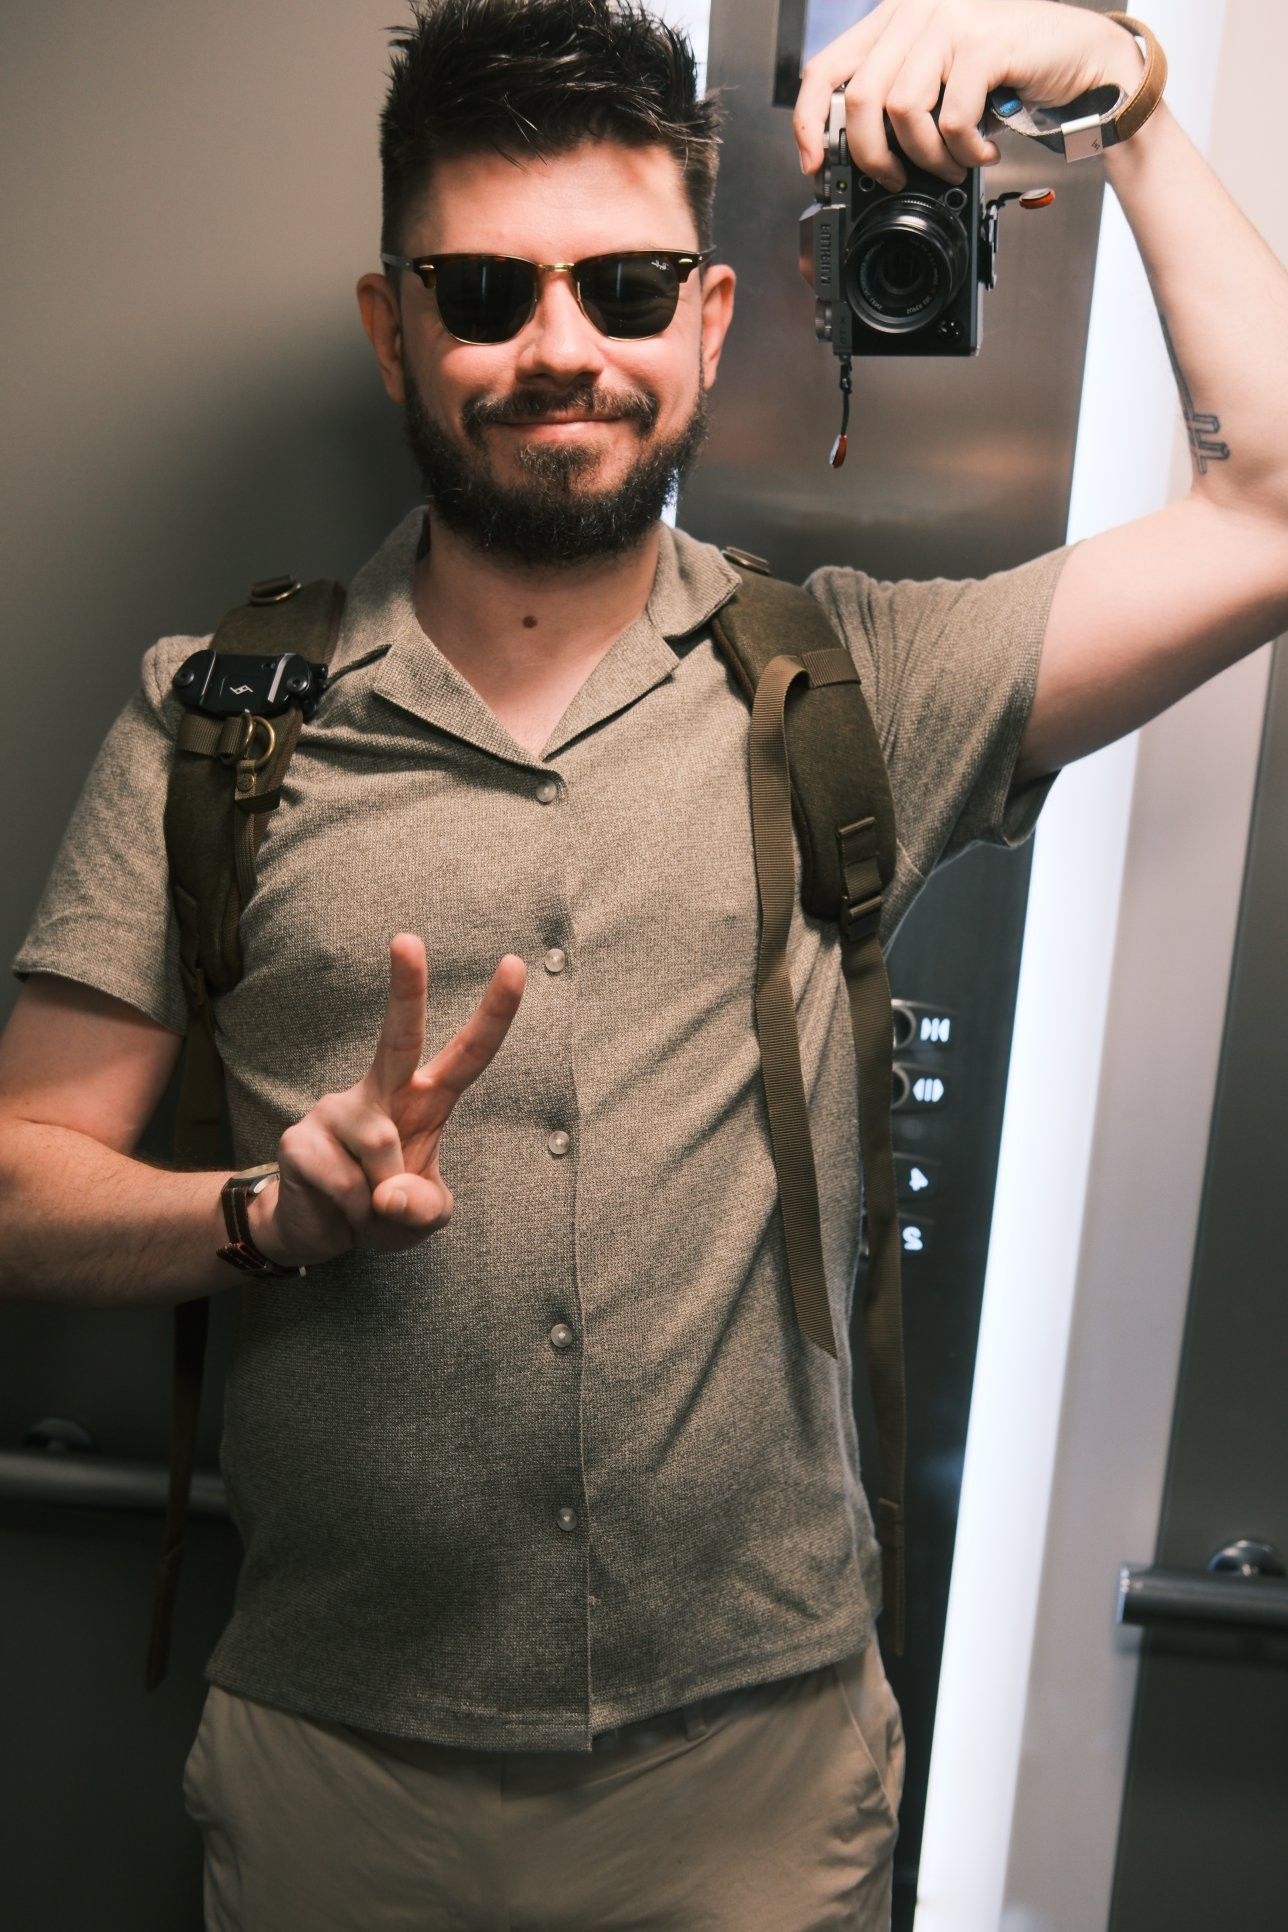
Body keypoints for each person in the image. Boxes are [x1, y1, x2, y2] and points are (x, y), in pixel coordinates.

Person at [2, 0, 1287, 1925]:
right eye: (485, 292)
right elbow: (22, 1184)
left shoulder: (858, 681)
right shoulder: (215, 721)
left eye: (623, 287)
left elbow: (1270, 509)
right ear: (393, 330)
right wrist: (265, 1215)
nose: (561, 349)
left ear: (708, 318)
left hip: (754, 1785)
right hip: (344, 1773)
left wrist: (1122, 91)